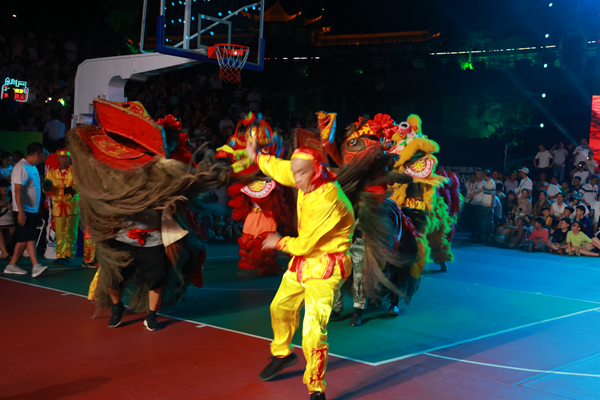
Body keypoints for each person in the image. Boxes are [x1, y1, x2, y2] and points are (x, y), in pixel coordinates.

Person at [247, 137, 355, 400]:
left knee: (312, 329)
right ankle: (282, 354)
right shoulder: (302, 174)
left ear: (316, 170)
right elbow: (281, 168)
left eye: (301, 173)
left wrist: (278, 241)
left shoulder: (328, 199)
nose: (295, 178)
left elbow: (305, 244)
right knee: (280, 307)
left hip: (327, 266)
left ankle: (316, 387)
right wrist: (256, 156)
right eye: (294, 172)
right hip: (303, 262)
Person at [3, 142, 47, 277]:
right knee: (29, 238)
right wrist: (21, 212)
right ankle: (35, 266)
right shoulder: (21, 167)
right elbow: (17, 191)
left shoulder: (32, 167)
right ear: (38, 154)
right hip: (23, 210)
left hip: (31, 210)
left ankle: (12, 266)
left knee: (24, 240)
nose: (44, 157)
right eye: (43, 154)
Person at [43, 148, 78, 264]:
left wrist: (72, 190)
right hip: (58, 206)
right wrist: (46, 188)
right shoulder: (52, 172)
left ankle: (69, 253)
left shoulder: (74, 171)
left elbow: (80, 186)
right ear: (57, 158)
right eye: (62, 157)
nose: (65, 159)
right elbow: (46, 188)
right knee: (59, 231)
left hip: (72, 206)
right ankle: (60, 255)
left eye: (67, 157)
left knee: (71, 231)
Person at [0, 179, 15, 258]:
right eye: (2, 187)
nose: (4, 189)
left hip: (11, 223)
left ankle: (2, 251)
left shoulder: (12, 199)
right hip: (1, 223)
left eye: (6, 187)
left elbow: (17, 212)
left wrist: (10, 207)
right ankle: (4, 252)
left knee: (12, 229)